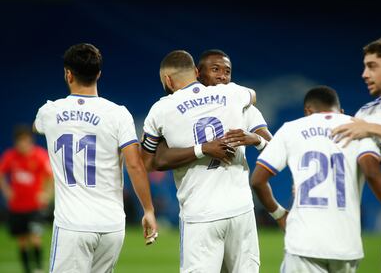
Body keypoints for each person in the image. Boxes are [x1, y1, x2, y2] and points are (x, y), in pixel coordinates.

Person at [251, 86, 381, 273]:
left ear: (307, 112)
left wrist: (280, 215)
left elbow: (257, 180)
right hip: (346, 246)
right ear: (340, 111)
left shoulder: (291, 129)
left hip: (304, 242)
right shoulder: (358, 127)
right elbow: (372, 172)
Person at [33, 43, 157, 273]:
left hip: (73, 225)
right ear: (98, 73)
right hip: (111, 226)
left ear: (68, 74)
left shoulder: (49, 112)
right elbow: (134, 163)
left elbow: (36, 126)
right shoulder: (118, 114)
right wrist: (148, 210)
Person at [141, 50, 260, 272]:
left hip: (201, 214)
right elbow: (252, 95)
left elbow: (148, 163)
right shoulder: (232, 93)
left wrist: (199, 149)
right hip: (241, 210)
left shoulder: (161, 109)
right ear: (196, 72)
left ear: (168, 80)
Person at [331, 37, 381, 273]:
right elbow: (369, 168)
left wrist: (373, 129)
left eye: (372, 66)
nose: (364, 74)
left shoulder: (370, 123)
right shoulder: (367, 115)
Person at [149, 49, 272, 172]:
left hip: (238, 191)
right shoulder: (175, 111)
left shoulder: (242, 106)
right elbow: (160, 161)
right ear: (197, 73)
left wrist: (257, 140)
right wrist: (202, 149)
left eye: (227, 72)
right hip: (194, 191)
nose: (222, 76)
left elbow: (276, 151)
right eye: (215, 69)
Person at [0, 125, 53, 273]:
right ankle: (27, 270)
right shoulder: (10, 156)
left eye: (25, 140)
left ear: (30, 140)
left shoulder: (40, 155)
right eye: (20, 141)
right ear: (16, 142)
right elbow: (1, 174)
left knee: (35, 238)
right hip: (16, 206)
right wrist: (7, 190)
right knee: (22, 241)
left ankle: (39, 268)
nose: (22, 144)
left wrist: (46, 194)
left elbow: (51, 177)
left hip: (35, 207)